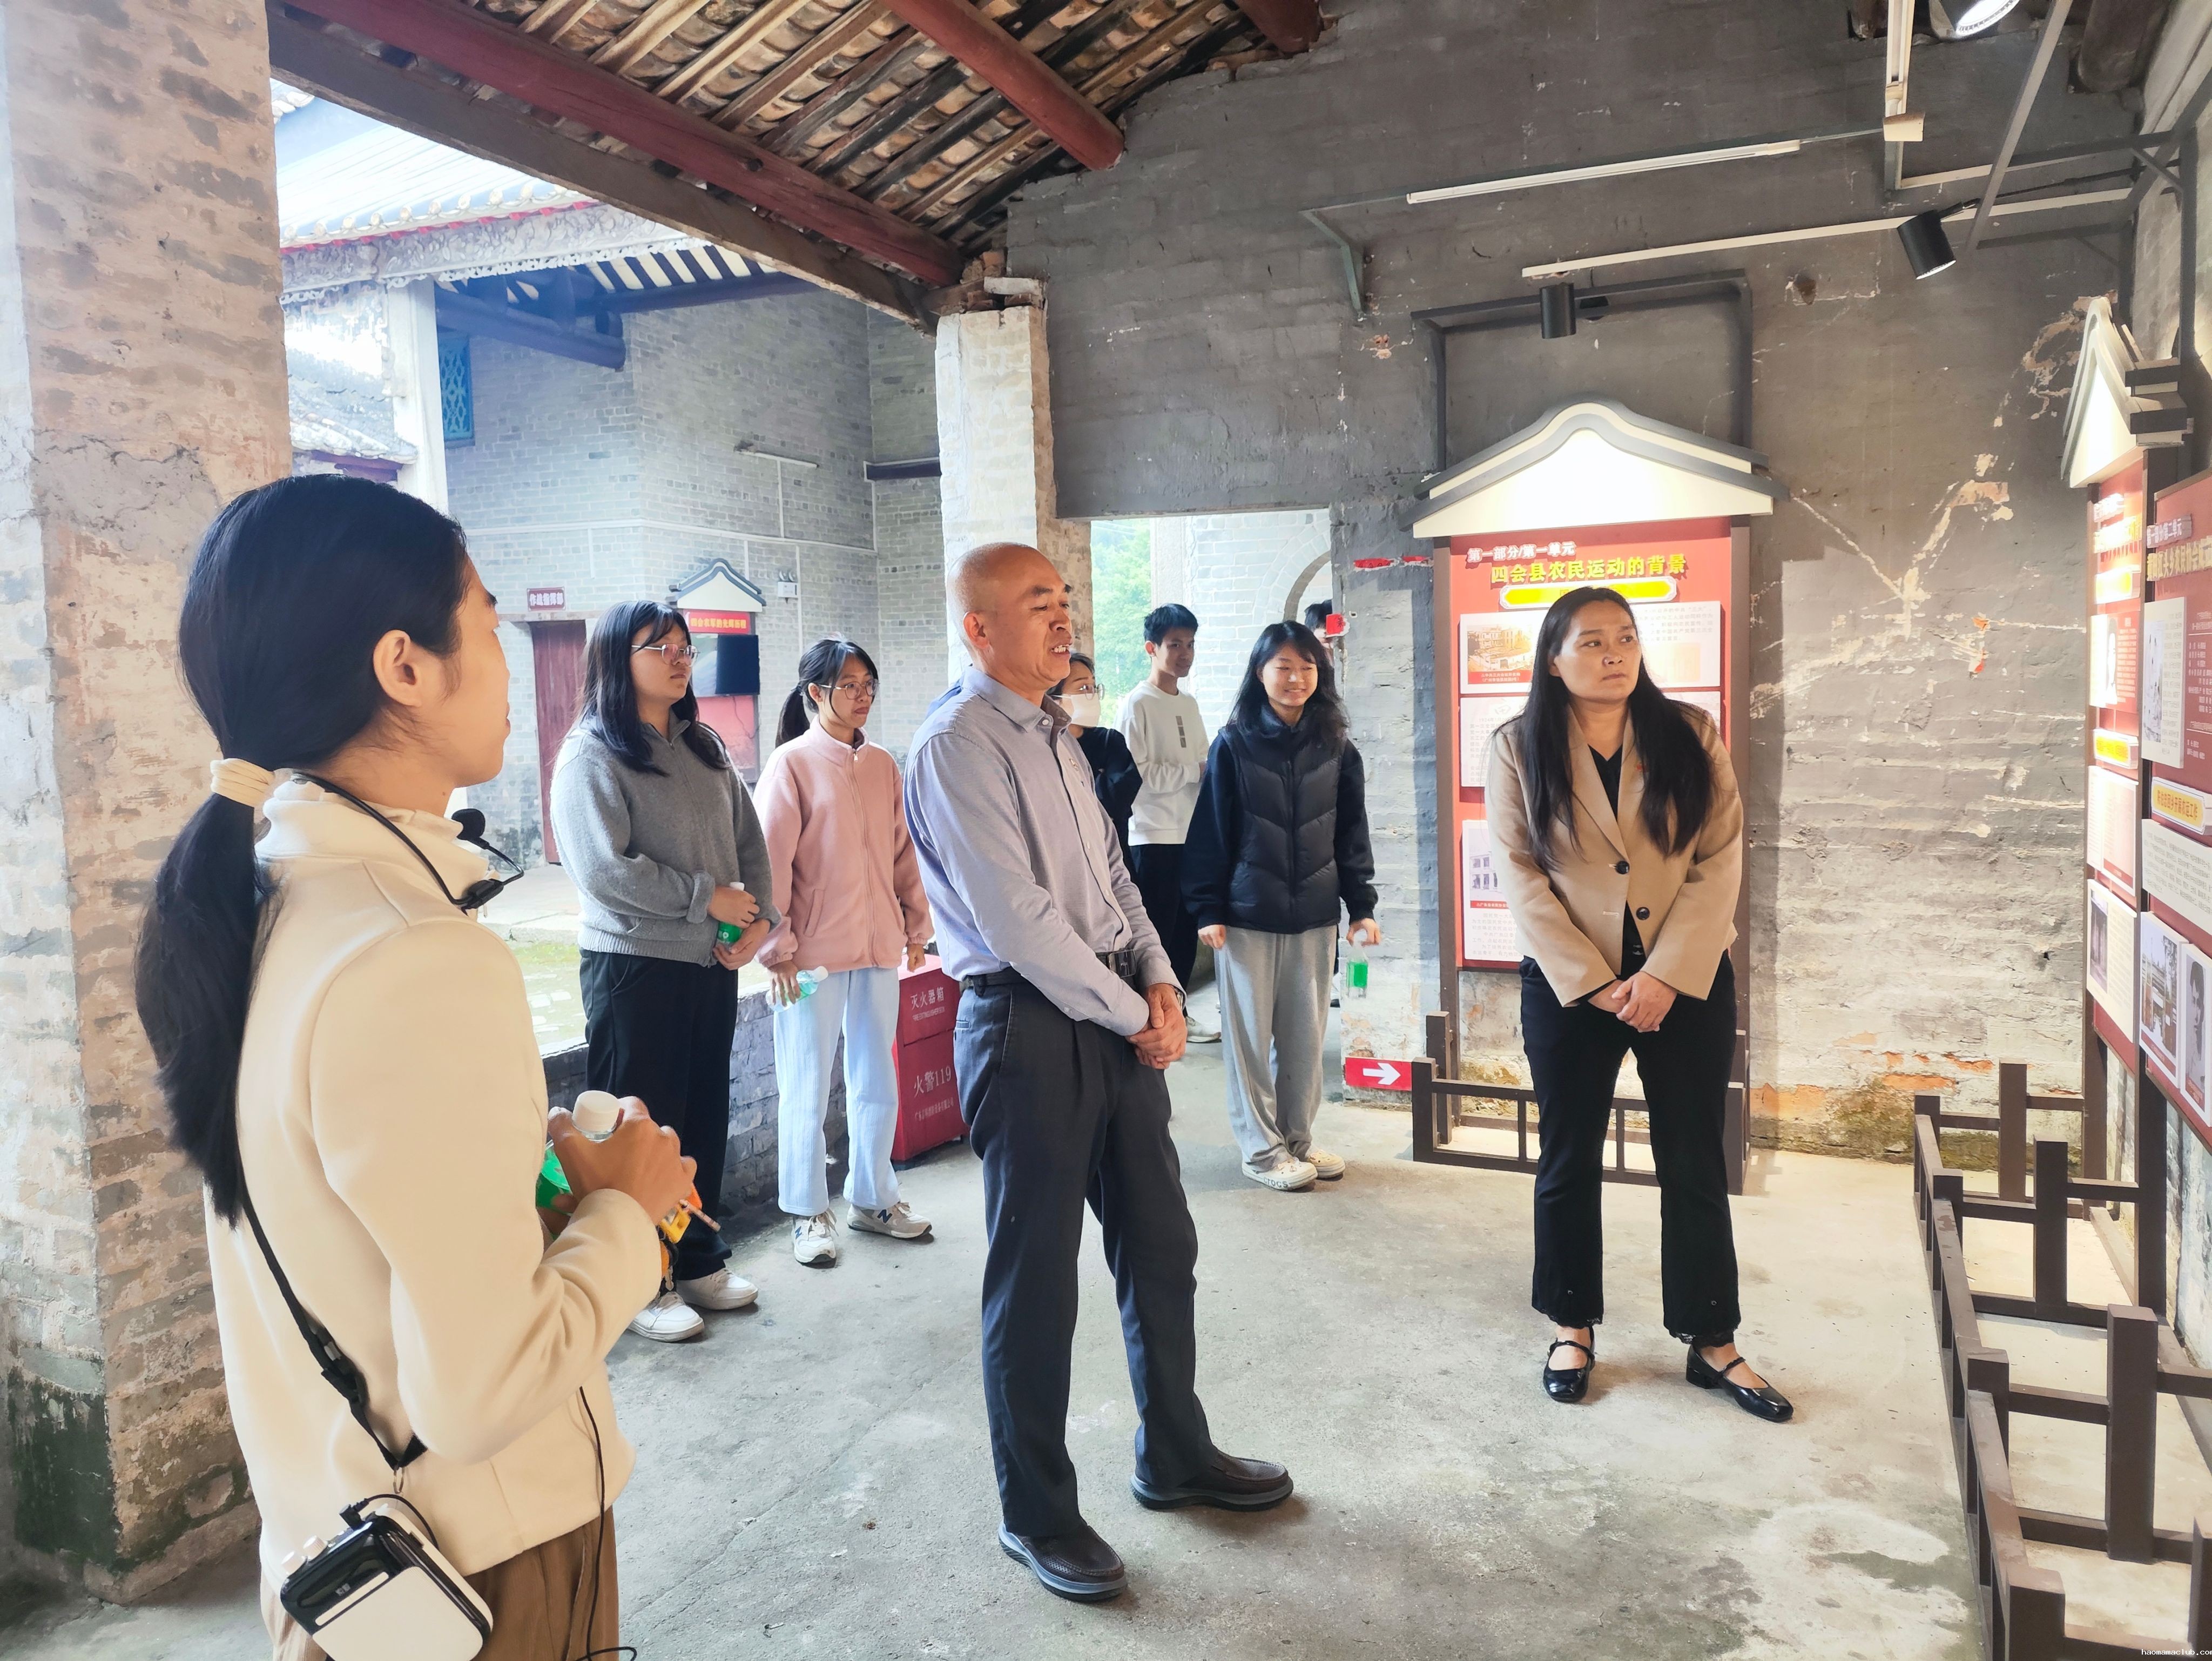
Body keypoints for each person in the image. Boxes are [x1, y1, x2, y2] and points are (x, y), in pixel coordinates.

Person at [136, 475, 692, 1659]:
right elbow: (482, 1393)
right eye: (486, 622)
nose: (507, 661)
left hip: (349, 1560)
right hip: (482, 1572)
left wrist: (527, 1200)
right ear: (405, 666)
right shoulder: (411, 953)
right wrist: (627, 1216)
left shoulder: (268, 901)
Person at [904, 543, 1293, 1604]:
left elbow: (1115, 876)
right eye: (1038, 602)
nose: (1061, 616)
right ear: (979, 628)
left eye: (1064, 599)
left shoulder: (1056, 736)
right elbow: (1018, 922)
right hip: (1025, 1029)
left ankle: (1175, 1451)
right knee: (1034, 1282)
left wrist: (1161, 984)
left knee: (1160, 1244)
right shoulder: (955, 746)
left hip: (1115, 1013)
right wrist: (1138, 1017)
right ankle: (1035, 1512)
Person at [1485, 586, 1790, 1423]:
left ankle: (1711, 1336)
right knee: (1568, 1153)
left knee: (1694, 1155)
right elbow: (1520, 870)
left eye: (1625, 637)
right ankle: (1571, 1323)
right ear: (1554, 660)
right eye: (1591, 641)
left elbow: (1720, 854)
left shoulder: (1688, 732)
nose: (1614, 653)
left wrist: (1665, 974)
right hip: (1570, 983)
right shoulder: (1518, 745)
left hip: (1683, 980)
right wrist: (1594, 979)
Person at [551, 600, 778, 1343]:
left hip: (709, 962)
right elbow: (604, 871)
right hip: (634, 968)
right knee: (636, 1130)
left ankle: (698, 1257)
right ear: (619, 659)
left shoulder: (703, 746)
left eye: (685, 646)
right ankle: (643, 1282)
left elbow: (749, 843)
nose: (682, 659)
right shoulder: (591, 753)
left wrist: (758, 921)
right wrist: (703, 897)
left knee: (700, 1120)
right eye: (663, 647)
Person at [756, 636, 934, 1267]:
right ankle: (808, 1214)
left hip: (878, 947)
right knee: (806, 1082)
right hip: (810, 957)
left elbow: (903, 851)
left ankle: (873, 1198)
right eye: (849, 686)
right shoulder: (791, 765)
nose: (862, 697)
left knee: (876, 1078)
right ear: (816, 692)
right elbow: (769, 863)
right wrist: (777, 947)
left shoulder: (883, 764)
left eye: (868, 686)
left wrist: (915, 927)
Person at [1183, 622, 1379, 1192]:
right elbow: (1210, 832)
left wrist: (1361, 905)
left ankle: (1298, 1139)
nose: (1296, 678)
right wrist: (1207, 908)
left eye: (1307, 667)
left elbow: (1352, 832)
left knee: (1304, 1039)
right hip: (1246, 915)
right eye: (1284, 667)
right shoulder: (1234, 743)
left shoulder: (1337, 746)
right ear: (1260, 673)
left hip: (1314, 915)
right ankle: (1261, 1149)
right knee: (1249, 1040)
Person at [1116, 603, 1216, 1039]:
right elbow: (1136, 776)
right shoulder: (1137, 704)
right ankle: (1153, 1016)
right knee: (1156, 931)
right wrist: (1194, 771)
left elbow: (1206, 761)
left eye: (1190, 644)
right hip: (1153, 835)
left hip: (1189, 833)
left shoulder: (1189, 703)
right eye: (1175, 644)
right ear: (1151, 648)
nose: (1185, 653)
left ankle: (1181, 1012)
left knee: (1185, 932)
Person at [1053, 651, 1142, 860]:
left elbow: (1117, 801)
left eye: (1094, 687)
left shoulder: (1110, 742)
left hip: (1115, 861)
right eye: (1083, 688)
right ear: (1055, 698)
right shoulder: (1047, 747)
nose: (1091, 694)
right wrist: (1098, 783)